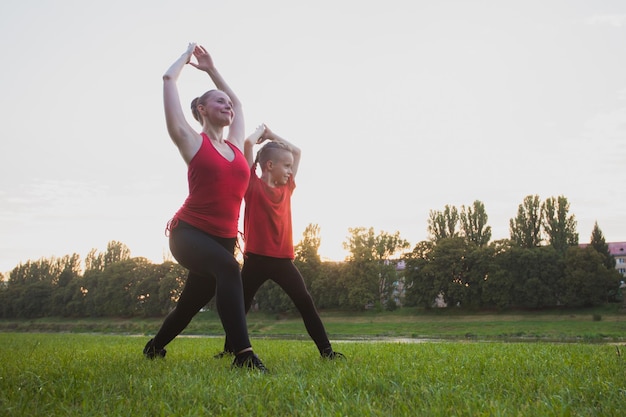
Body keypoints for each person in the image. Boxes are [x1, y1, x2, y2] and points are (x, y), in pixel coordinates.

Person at [142, 43, 267, 372]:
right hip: (189, 234)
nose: (228, 105)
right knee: (229, 269)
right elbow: (169, 80)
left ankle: (154, 348)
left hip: (224, 238)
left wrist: (212, 68)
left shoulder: (236, 145)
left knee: (188, 306)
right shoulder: (189, 139)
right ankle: (244, 357)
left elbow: (238, 102)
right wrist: (185, 58)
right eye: (219, 101)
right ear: (201, 109)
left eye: (227, 103)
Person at [215, 124, 345, 360]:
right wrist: (260, 132)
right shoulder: (251, 186)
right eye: (285, 166)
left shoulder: (287, 189)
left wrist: (272, 135)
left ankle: (327, 352)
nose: (290, 170)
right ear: (269, 166)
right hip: (255, 260)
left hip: (283, 261)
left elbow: (297, 151)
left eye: (290, 167)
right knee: (239, 306)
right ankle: (228, 350)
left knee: (305, 301)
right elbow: (246, 144)